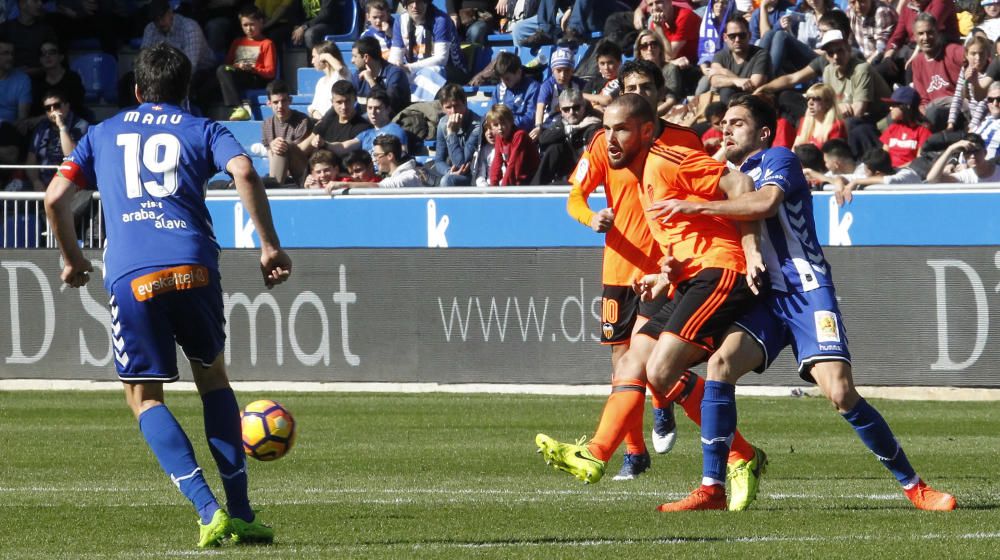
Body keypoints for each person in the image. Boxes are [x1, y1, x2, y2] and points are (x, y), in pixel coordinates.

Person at [648, 93, 956, 512]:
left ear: (762, 132)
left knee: (840, 392)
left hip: (806, 291)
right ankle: (712, 487)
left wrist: (695, 205)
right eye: (724, 122)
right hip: (766, 298)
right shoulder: (727, 174)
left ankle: (915, 486)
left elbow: (764, 203)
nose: (726, 128)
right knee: (721, 364)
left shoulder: (779, 159)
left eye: (737, 123)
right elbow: (735, 229)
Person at [43, 43, 292, 547]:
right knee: (212, 377)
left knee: (143, 396)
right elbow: (244, 171)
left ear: (137, 91)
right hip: (195, 265)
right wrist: (269, 246)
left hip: (134, 275)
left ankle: (208, 512)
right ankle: (241, 512)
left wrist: (72, 259)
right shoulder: (203, 129)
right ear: (186, 93)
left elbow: (54, 198)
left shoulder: (101, 134)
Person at [537, 94, 766, 506]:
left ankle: (740, 456)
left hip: (720, 270)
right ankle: (596, 453)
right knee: (631, 361)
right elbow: (685, 238)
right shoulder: (641, 174)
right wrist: (665, 274)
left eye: (620, 129)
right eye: (606, 128)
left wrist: (750, 249)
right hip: (688, 277)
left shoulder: (669, 159)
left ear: (646, 130)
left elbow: (741, 184)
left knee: (661, 370)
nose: (609, 139)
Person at [817, 29, 890, 158]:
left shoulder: (861, 69)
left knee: (850, 123)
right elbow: (826, 106)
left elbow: (858, 112)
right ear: (826, 56)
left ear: (849, 49)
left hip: (878, 118)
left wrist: (835, 109)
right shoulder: (828, 71)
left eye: (840, 50)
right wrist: (838, 108)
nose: (835, 56)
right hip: (851, 119)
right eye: (830, 53)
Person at [388, 0, 469, 100]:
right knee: (393, 75)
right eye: (410, 2)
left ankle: (419, 109)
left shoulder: (441, 19)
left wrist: (409, 68)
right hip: (416, 69)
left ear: (427, 2)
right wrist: (397, 68)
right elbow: (395, 56)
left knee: (430, 72)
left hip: (452, 70)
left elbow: (441, 59)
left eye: (419, 2)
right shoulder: (400, 20)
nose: (415, 6)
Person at [217, 5, 278, 121]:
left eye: (252, 24)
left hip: (255, 77)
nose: (249, 29)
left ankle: (238, 107)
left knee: (222, 71)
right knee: (218, 73)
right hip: (238, 73)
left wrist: (253, 68)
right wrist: (238, 66)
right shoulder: (237, 42)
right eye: (245, 25)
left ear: (260, 22)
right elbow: (228, 64)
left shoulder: (267, 43)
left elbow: (271, 72)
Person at [531, 87, 601, 185]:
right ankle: (535, 189)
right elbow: (543, 139)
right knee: (555, 148)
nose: (571, 112)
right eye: (566, 109)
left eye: (576, 107)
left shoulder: (594, 123)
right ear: (561, 110)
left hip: (588, 175)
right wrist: (576, 127)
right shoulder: (564, 121)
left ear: (584, 106)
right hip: (568, 173)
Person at [910, 14, 965, 132]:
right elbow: (923, 98)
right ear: (914, 37)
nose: (925, 37)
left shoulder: (952, 51)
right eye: (920, 34)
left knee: (934, 111)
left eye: (930, 32)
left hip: (959, 108)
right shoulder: (917, 62)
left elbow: (977, 58)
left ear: (938, 33)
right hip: (933, 111)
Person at [26, 89, 87, 191]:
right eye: (48, 108)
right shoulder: (42, 127)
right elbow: (31, 160)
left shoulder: (81, 126)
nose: (52, 110)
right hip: (42, 182)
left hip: (68, 182)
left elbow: (72, 156)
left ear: (67, 106)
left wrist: (62, 127)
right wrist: (35, 181)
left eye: (57, 105)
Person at [299, 80, 373, 157]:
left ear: (355, 100)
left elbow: (343, 149)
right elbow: (302, 148)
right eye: (339, 102)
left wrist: (324, 144)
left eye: (347, 101)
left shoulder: (363, 127)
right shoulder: (328, 119)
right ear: (332, 102)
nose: (344, 107)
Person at [329, 88, 408, 159]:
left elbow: (402, 155)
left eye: (377, 108)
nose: (372, 112)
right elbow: (343, 147)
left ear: (388, 109)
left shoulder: (395, 130)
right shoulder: (366, 134)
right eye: (370, 108)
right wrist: (324, 144)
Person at [324, 134, 424, 189]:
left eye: (377, 155)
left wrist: (343, 184)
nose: (374, 159)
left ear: (390, 156)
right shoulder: (395, 175)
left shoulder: (409, 176)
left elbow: (378, 187)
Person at [710, 17, 772, 104]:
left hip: (754, 101)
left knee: (727, 91)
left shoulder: (761, 54)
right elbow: (715, 81)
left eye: (742, 35)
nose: (737, 40)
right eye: (732, 36)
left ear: (749, 35)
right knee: (726, 91)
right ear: (725, 37)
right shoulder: (720, 55)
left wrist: (726, 72)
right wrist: (736, 81)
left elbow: (753, 85)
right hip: (729, 100)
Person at [262, 80, 312, 185]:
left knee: (284, 145)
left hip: (303, 173)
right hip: (280, 171)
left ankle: (274, 186)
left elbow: (299, 152)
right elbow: (271, 154)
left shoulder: (302, 121)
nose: (280, 106)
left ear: (290, 100)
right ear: (269, 103)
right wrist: (272, 146)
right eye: (275, 102)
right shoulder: (266, 124)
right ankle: (274, 183)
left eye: (284, 101)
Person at [433, 83, 481, 186]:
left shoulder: (477, 125)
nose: (453, 111)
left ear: (465, 103)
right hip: (453, 172)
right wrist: (449, 171)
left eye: (456, 106)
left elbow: (461, 164)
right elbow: (439, 160)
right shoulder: (443, 123)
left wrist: (451, 133)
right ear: (442, 108)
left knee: (447, 181)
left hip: (473, 176)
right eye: (448, 107)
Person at [533, 48, 587, 138]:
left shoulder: (579, 84)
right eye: (559, 70)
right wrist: (538, 126)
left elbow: (592, 96)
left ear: (572, 70)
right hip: (552, 124)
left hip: (576, 121)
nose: (562, 75)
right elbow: (540, 107)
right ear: (553, 70)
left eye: (567, 70)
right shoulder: (547, 85)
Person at [352, 35, 411, 116]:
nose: (352, 61)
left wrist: (371, 81)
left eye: (355, 56)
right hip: (367, 124)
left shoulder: (395, 74)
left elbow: (387, 105)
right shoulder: (358, 75)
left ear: (366, 57)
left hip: (393, 123)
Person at [30, 42, 85, 120]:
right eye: (43, 54)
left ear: (61, 57)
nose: (47, 56)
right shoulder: (37, 81)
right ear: (40, 60)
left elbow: (74, 109)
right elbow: (36, 110)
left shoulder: (73, 78)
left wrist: (41, 118)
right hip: (44, 126)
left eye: (52, 52)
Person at [487, 103, 539, 186]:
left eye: (503, 123)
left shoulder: (519, 136)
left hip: (530, 181)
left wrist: (504, 188)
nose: (500, 128)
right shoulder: (499, 137)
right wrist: (493, 186)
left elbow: (514, 164)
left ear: (511, 121)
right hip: (516, 181)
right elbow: (496, 162)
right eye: (496, 125)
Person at [879, 86, 931, 168]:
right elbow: (883, 156)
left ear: (906, 107)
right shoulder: (892, 128)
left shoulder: (922, 131)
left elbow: (919, 160)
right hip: (888, 171)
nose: (890, 108)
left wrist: (898, 169)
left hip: (908, 172)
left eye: (894, 105)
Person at [0, 0, 57, 75]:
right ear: (22, 4)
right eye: (35, 1)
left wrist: (35, 71)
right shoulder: (5, 28)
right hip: (9, 77)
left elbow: (55, 59)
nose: (40, 4)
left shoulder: (46, 30)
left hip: (40, 78)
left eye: (41, 1)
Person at [489, 52, 540, 132]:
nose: (504, 82)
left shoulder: (533, 88)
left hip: (521, 133)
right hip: (501, 132)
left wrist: (507, 125)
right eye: (501, 79)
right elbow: (493, 113)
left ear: (519, 72)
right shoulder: (498, 89)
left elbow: (530, 117)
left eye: (507, 78)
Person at [925, 132, 1000, 184]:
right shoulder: (965, 176)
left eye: (976, 151)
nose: (972, 156)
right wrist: (950, 149)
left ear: (985, 152)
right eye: (968, 152)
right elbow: (932, 179)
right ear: (964, 156)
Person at [306, 40, 351, 120]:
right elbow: (313, 106)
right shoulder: (320, 82)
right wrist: (314, 112)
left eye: (314, 56)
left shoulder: (341, 75)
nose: (312, 61)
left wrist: (326, 56)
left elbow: (340, 68)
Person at [793, 83, 845, 149]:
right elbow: (794, 149)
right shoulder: (804, 122)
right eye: (808, 98)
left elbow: (833, 157)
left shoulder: (836, 126)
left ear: (828, 103)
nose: (810, 103)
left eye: (816, 98)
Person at [847, 0, 898, 64]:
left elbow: (881, 49)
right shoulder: (850, 12)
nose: (858, 6)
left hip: (886, 59)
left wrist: (864, 65)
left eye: (862, 1)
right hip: (865, 58)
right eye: (853, 2)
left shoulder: (882, 11)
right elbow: (849, 43)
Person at [582, 39, 623, 111]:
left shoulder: (624, 80)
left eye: (610, 63)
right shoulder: (593, 82)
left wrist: (583, 96)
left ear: (619, 62)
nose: (606, 68)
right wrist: (595, 106)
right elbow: (580, 101)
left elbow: (607, 100)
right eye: (602, 63)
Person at [974, 82, 1000, 159]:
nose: (995, 104)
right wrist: (953, 162)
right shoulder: (983, 123)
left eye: (999, 99)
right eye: (991, 99)